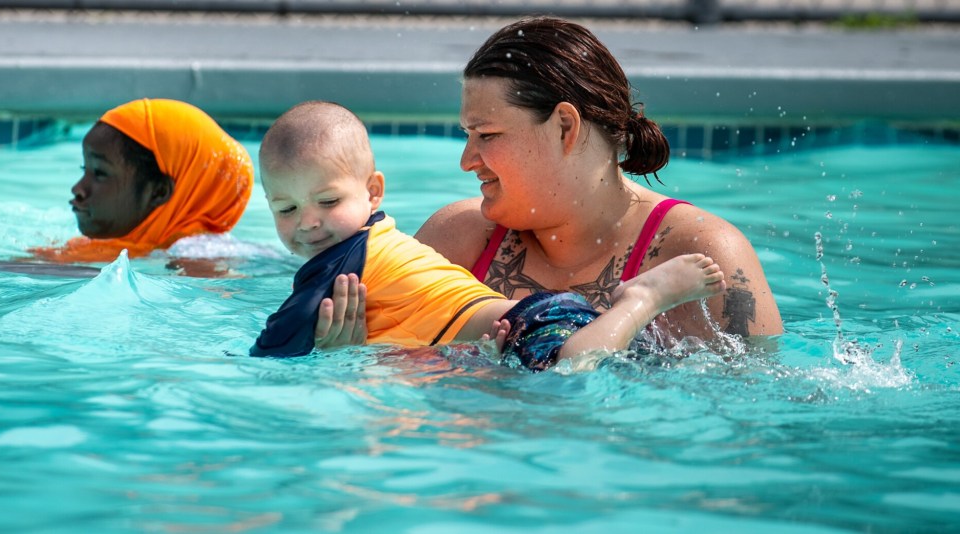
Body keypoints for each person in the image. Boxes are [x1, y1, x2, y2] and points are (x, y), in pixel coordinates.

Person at [250, 101, 727, 370]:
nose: (308, 223)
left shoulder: (334, 267)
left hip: (532, 324)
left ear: (374, 191)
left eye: (328, 203)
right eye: (286, 209)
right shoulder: (380, 236)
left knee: (573, 368)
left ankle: (641, 299)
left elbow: (273, 351)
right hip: (532, 319)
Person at [397, 16, 781, 344]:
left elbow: (753, 410)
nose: (467, 161)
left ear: (565, 127)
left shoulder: (700, 257)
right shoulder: (458, 241)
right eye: (467, 136)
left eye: (487, 135)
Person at [29, 98, 254, 265]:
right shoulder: (124, 245)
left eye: (99, 173)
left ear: (157, 192)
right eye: (84, 169)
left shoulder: (196, 257)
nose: (78, 189)